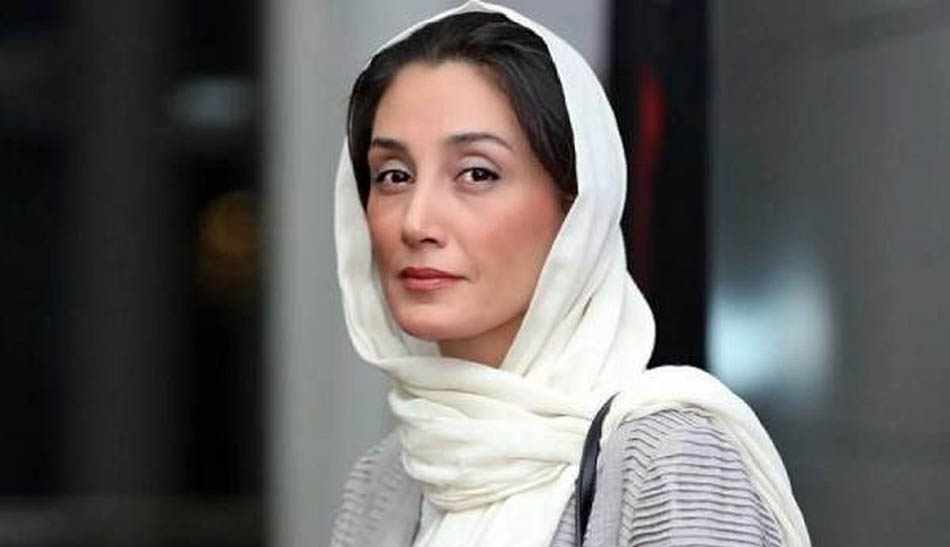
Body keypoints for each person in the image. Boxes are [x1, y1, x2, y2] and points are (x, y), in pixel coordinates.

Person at [330, 2, 810, 546]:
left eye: (477, 173)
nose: (417, 222)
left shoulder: (664, 459)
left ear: (578, 207)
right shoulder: (387, 479)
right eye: (394, 176)